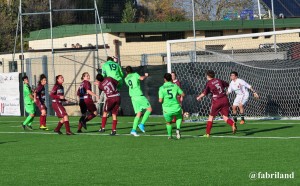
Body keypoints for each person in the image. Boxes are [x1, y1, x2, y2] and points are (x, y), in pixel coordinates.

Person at [196, 70, 236, 137]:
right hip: (225, 99)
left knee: (211, 117)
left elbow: (205, 93)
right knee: (225, 117)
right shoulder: (219, 80)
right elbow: (228, 85)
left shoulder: (209, 83)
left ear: (208, 76)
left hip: (217, 101)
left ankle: (207, 134)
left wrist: (199, 97)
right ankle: (232, 124)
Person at [124, 66, 152, 136]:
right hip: (138, 96)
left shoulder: (126, 78)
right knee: (149, 109)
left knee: (139, 113)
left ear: (126, 72)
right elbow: (141, 78)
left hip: (133, 97)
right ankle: (142, 124)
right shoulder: (135, 74)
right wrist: (146, 76)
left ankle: (133, 130)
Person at [159, 73, 185, 139]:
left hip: (167, 109)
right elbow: (183, 94)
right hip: (176, 107)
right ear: (171, 78)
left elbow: (160, 100)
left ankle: (169, 136)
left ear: (164, 79)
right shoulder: (175, 86)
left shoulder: (161, 88)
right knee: (179, 117)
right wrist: (177, 95)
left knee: (168, 122)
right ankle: (178, 128)